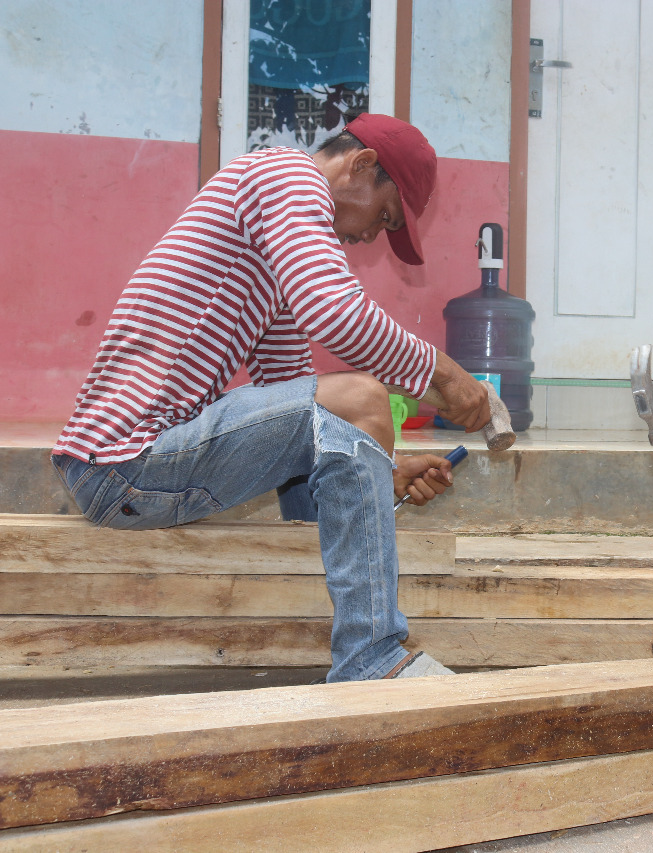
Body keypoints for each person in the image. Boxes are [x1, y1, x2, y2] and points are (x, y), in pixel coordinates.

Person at [50, 113, 491, 682]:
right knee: (362, 395)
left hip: (134, 471)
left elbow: (292, 392)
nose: (369, 237)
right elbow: (334, 314)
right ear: (361, 166)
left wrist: (377, 474)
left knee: (350, 406)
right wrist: (447, 375)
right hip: (128, 460)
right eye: (384, 216)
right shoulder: (285, 177)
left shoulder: (274, 239)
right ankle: (373, 658)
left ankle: (363, 639)